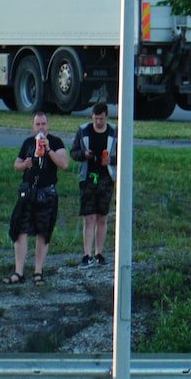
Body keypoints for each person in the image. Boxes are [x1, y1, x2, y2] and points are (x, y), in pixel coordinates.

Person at [5, 112, 69, 285]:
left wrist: (48, 150)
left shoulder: (56, 142)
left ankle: (38, 271)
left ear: (48, 125)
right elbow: (16, 165)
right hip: (28, 192)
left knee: (43, 232)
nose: (41, 127)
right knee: (20, 230)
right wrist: (24, 164)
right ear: (33, 127)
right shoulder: (28, 143)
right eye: (37, 124)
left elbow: (64, 164)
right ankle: (19, 272)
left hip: (47, 193)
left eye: (43, 124)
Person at [71, 102, 117, 268]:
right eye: (96, 118)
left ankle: (99, 253)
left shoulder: (114, 132)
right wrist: (84, 155)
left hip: (106, 178)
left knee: (102, 217)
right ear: (92, 117)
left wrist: (110, 160)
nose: (98, 122)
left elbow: (123, 155)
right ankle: (87, 254)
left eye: (101, 119)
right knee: (89, 217)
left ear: (106, 117)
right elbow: (73, 153)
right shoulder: (84, 131)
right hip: (88, 177)